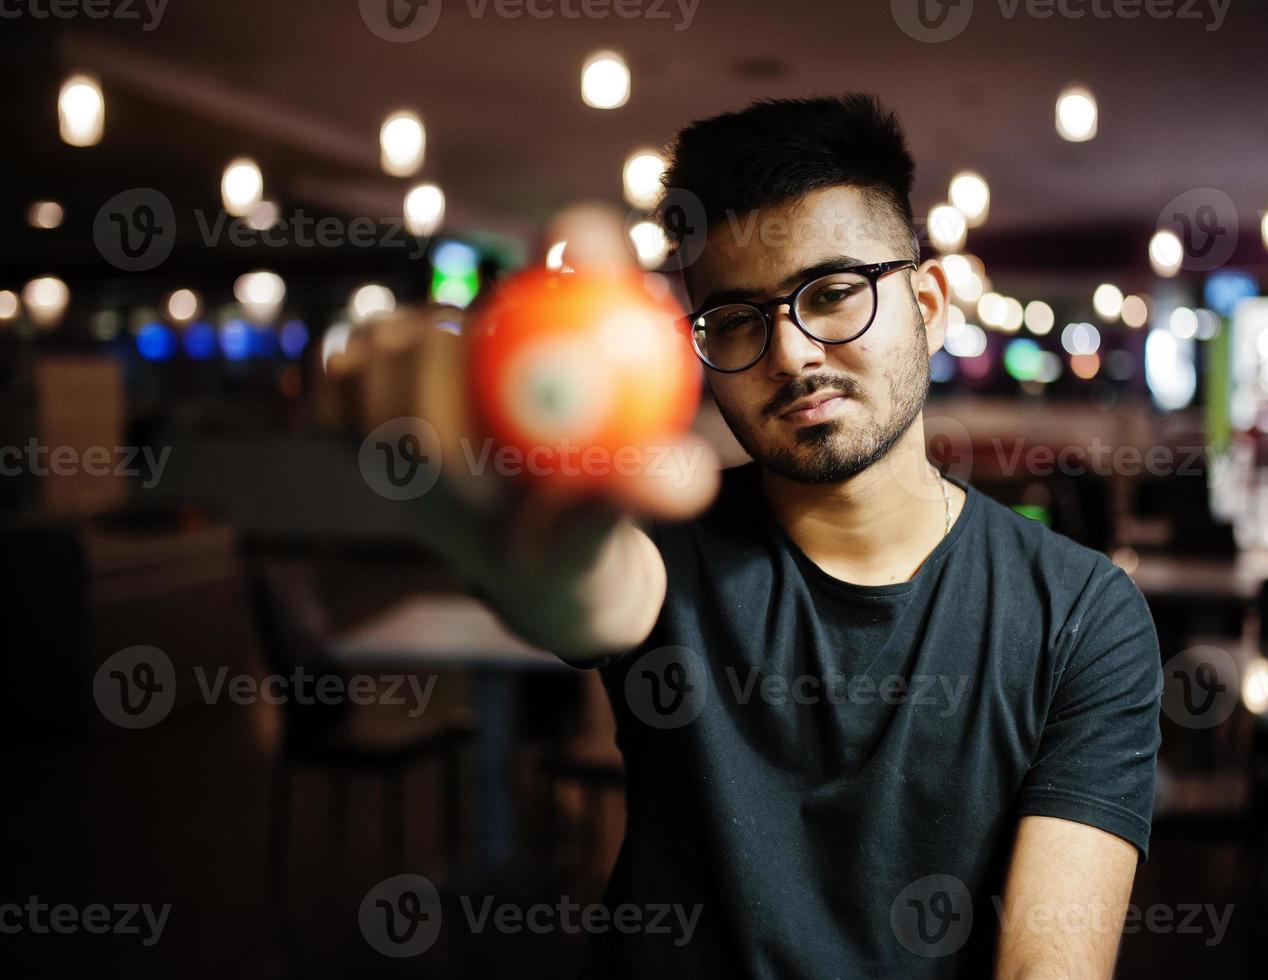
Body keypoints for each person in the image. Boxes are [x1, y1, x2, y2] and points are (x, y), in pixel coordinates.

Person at [326, 93, 1163, 979]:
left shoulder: (1080, 613)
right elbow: (593, 591)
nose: (792, 352)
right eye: (734, 320)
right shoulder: (661, 544)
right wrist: (525, 538)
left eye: (833, 293)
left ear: (929, 303)